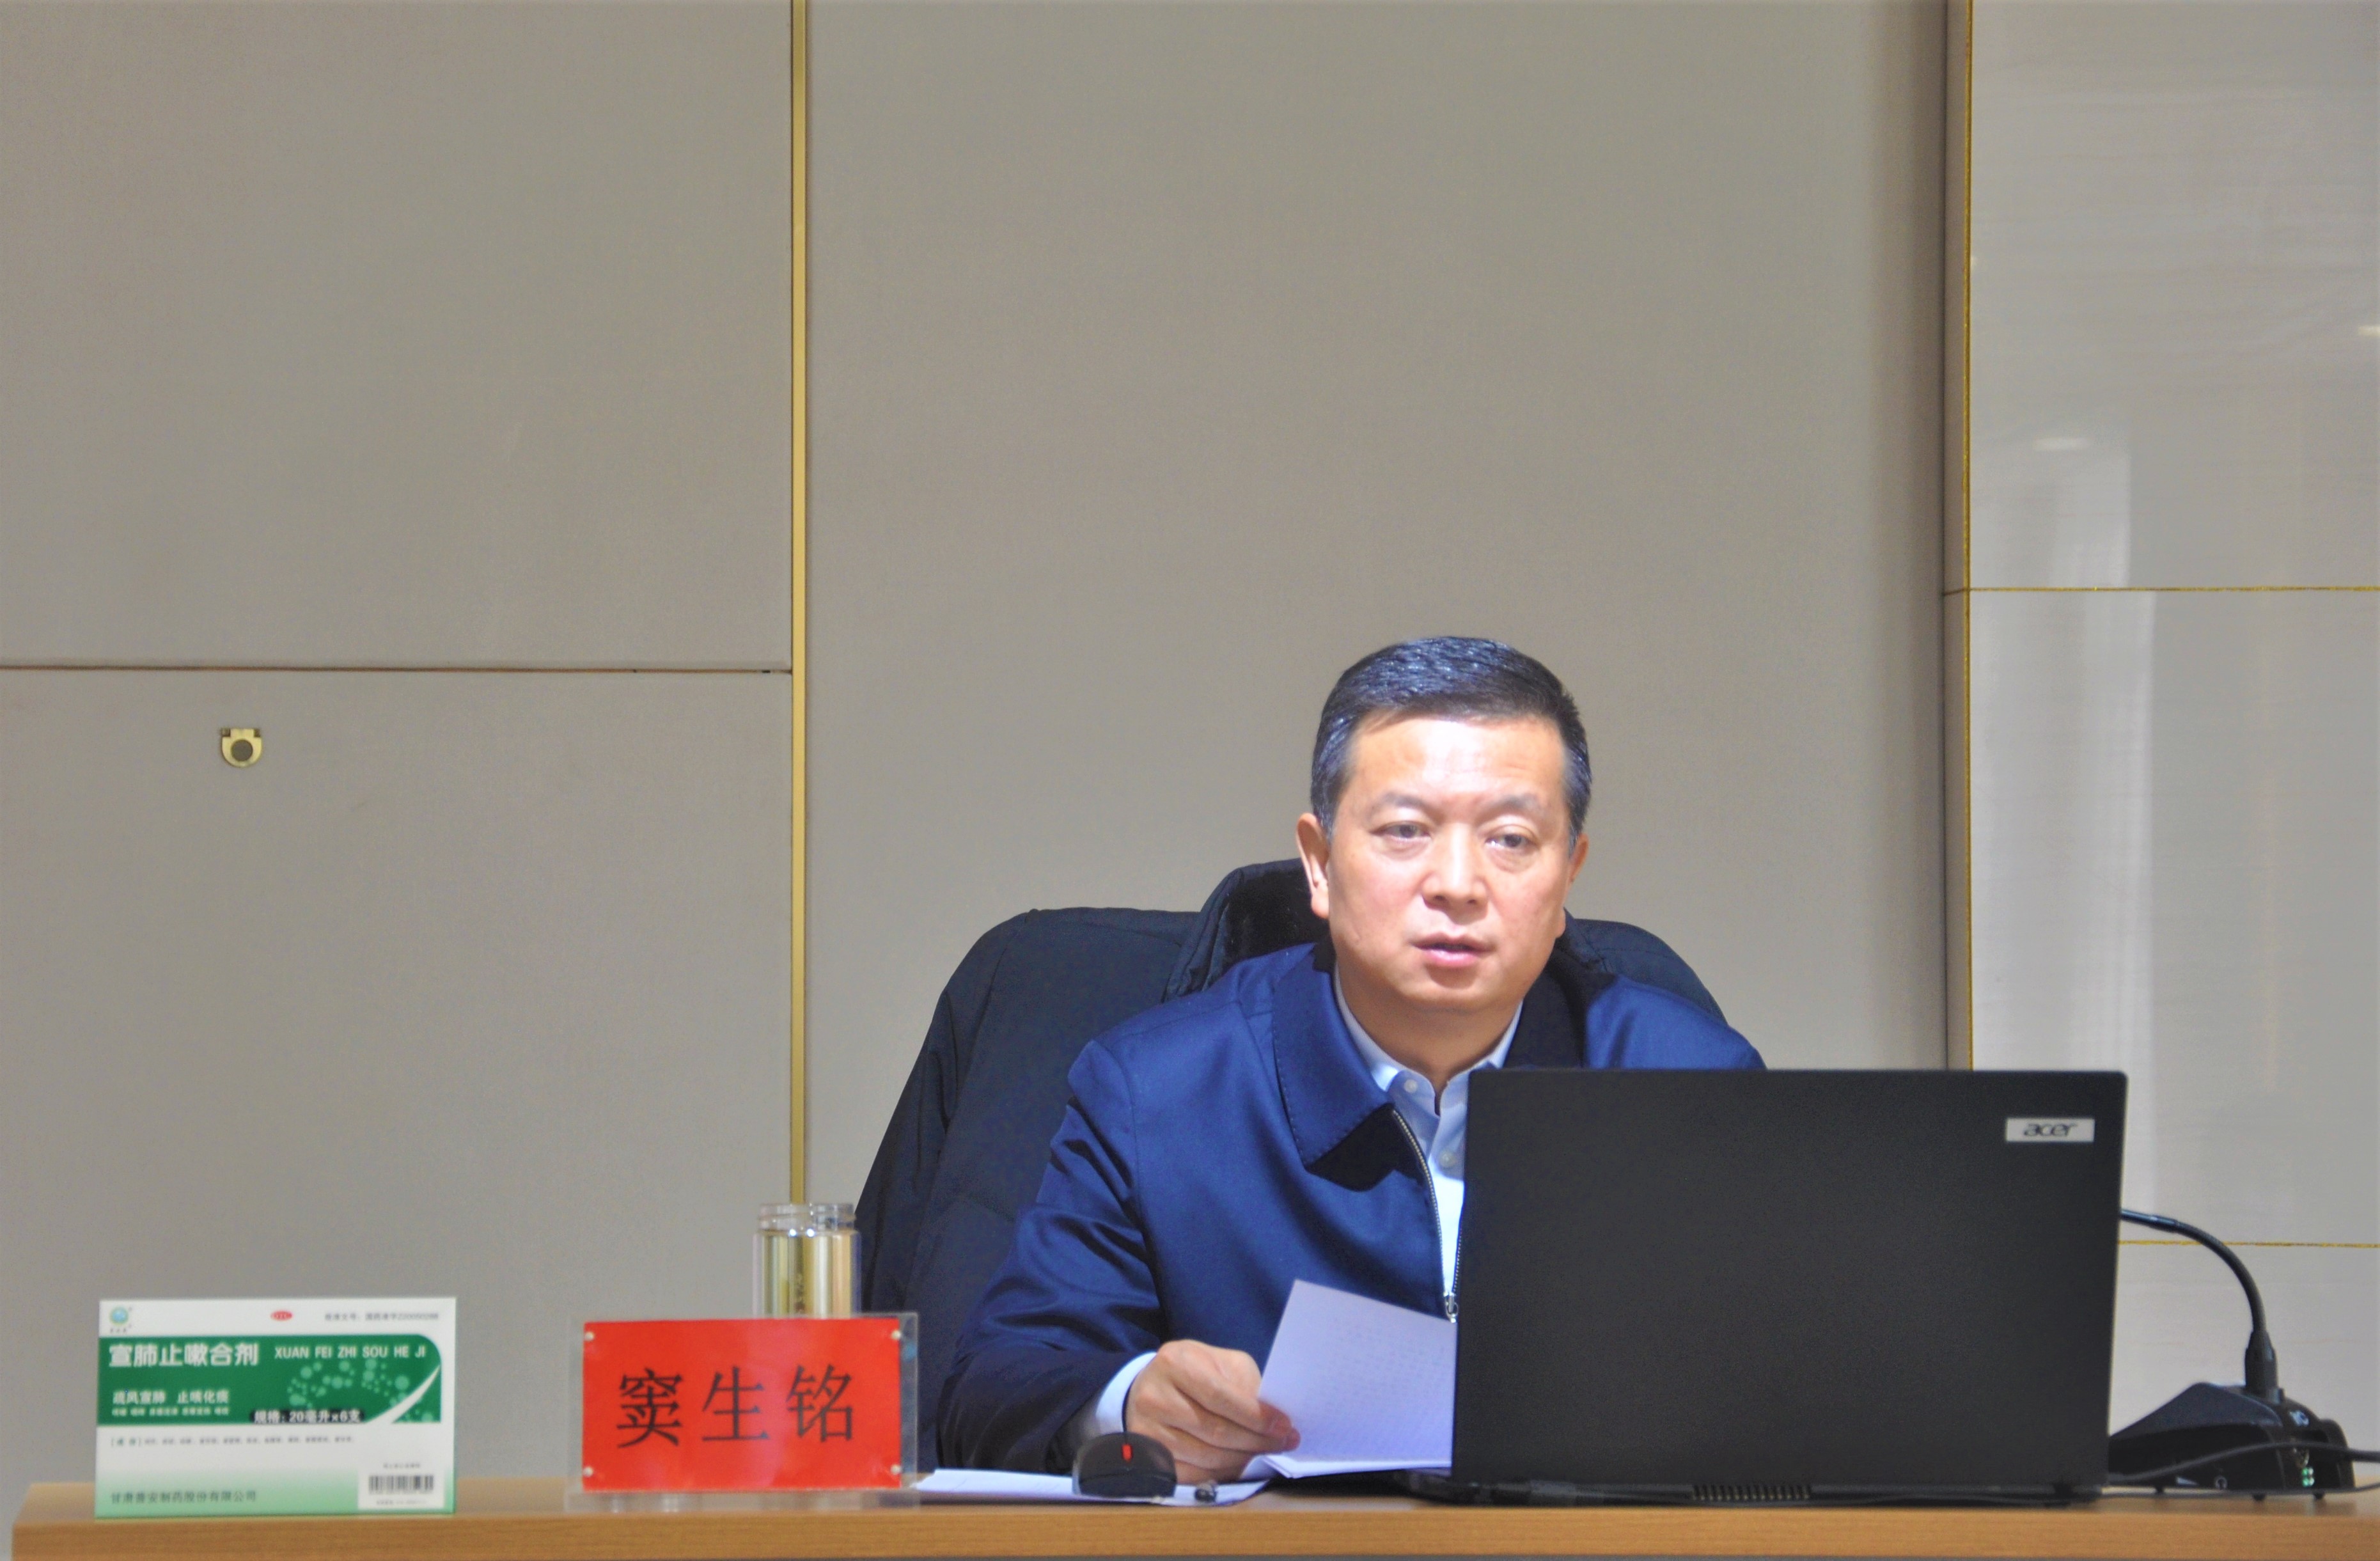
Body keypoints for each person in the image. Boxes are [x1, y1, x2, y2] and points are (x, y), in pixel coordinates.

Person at [937, 638, 1764, 1477]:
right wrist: (1127, 1401)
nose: (1457, 884)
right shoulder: (1159, 1091)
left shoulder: (1690, 1082)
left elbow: (1787, 1390)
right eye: (1405, 830)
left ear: (1568, 875)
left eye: (1511, 839)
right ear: (1321, 863)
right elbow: (993, 1387)